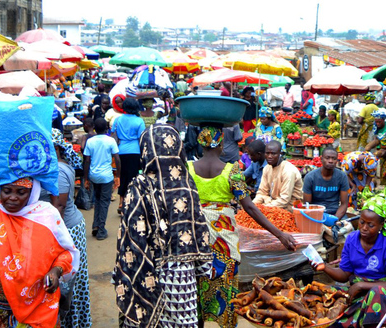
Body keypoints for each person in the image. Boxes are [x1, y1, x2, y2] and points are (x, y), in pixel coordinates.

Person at [187, 125, 297, 328]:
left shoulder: (188, 168)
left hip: (195, 235)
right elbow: (250, 208)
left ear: (200, 144)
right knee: (226, 286)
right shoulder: (232, 170)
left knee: (196, 286)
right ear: (220, 144)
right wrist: (279, 234)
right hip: (224, 239)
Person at [114, 124, 214, 328]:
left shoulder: (139, 185)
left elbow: (132, 237)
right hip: (183, 277)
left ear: (146, 150)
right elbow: (200, 230)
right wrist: (203, 268)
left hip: (148, 273)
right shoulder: (187, 184)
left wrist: (126, 272)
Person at [0, 177, 79, 327]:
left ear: (32, 193)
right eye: (6, 191)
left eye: (21, 192)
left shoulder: (46, 217)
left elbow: (66, 252)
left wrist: (56, 271)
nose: (12, 197)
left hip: (40, 307)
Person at [309, 197, 386, 328]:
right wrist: (325, 267)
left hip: (385, 299)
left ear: (381, 225)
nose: (364, 228)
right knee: (316, 292)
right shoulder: (352, 239)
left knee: (377, 293)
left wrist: (361, 285)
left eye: (370, 225)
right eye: (362, 222)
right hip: (358, 294)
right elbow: (344, 274)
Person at [51, 131, 92, 328]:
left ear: (56, 148)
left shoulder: (58, 170)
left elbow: (58, 206)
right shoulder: (52, 167)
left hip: (66, 229)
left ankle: (73, 323)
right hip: (64, 227)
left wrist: (52, 239)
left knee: (69, 280)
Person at [83, 117, 120, 240]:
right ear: (106, 128)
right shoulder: (110, 141)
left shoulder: (90, 141)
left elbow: (87, 161)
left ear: (94, 127)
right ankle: (101, 230)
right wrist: (118, 176)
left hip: (94, 175)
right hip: (106, 176)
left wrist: (86, 179)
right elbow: (117, 159)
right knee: (104, 202)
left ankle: (96, 226)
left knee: (97, 200)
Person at [112, 97, 146, 213]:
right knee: (133, 178)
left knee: (122, 177)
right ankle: (130, 202)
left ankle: (121, 202)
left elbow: (114, 136)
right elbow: (141, 138)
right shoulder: (139, 121)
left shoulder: (117, 120)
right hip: (135, 152)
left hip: (120, 152)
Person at [253, 140, 303, 209]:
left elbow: (284, 200)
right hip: (273, 205)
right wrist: (253, 206)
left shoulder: (288, 171)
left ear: (280, 154)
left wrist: (264, 208)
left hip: (290, 208)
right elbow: (262, 192)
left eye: (273, 154)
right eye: (267, 153)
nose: (269, 156)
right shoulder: (267, 168)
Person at [303, 146, 349, 220]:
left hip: (335, 212)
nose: (330, 161)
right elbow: (307, 205)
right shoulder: (310, 177)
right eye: (327, 158)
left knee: (348, 229)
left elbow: (344, 204)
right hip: (315, 212)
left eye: (334, 158)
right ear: (321, 159)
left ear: (337, 161)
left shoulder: (342, 176)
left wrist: (334, 219)